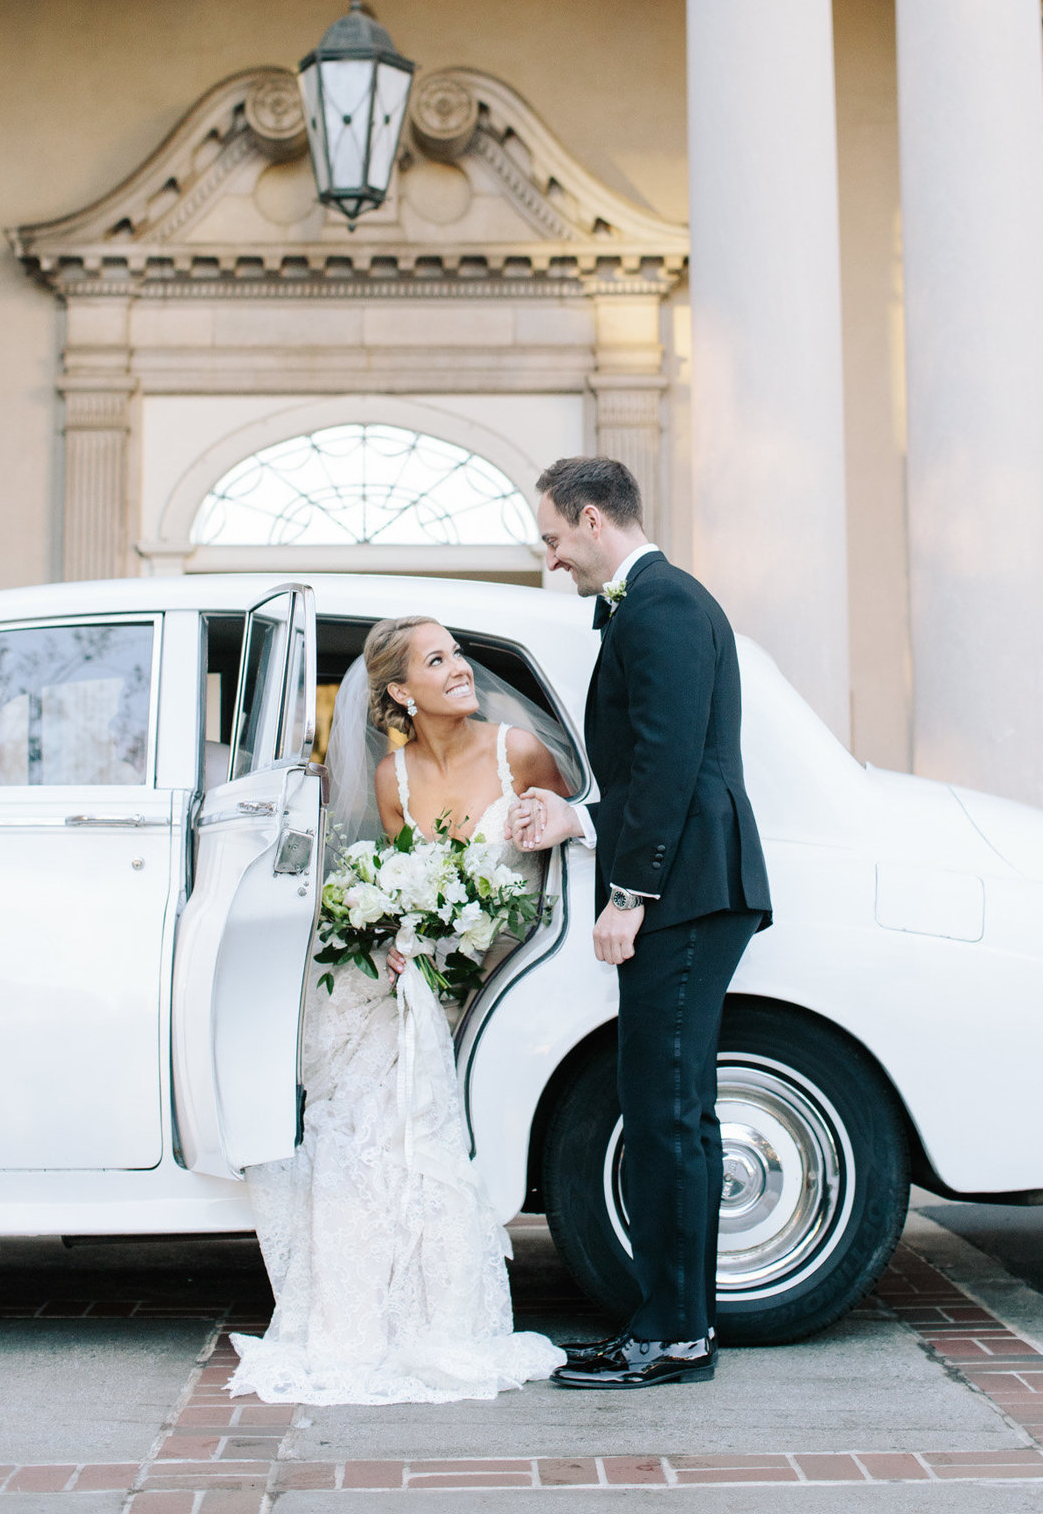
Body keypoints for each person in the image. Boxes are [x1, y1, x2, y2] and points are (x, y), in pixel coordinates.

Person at [228, 615, 568, 1407]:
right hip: (424, 975)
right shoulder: (394, 778)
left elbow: (560, 864)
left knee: (396, 1062)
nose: (460, 670)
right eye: (436, 660)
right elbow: (400, 878)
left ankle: (440, 1303)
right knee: (360, 1070)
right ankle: (358, 1307)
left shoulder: (518, 750)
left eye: (458, 654)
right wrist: (393, 935)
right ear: (398, 692)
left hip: (507, 970)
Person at [508, 455, 772, 1390]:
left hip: (685, 891)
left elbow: (664, 769)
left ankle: (670, 1334)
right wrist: (580, 819)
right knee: (674, 1113)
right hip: (696, 884)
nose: (550, 559)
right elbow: (650, 772)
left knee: (662, 1114)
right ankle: (677, 1325)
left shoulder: (659, 605)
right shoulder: (657, 601)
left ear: (589, 519)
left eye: (551, 538)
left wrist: (629, 895)